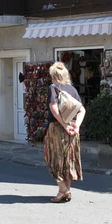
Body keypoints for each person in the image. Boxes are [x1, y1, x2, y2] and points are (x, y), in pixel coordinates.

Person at [45, 62, 86, 203]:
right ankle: (66, 191)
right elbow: (82, 110)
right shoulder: (72, 89)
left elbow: (54, 107)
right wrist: (77, 126)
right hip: (73, 129)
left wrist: (64, 124)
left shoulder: (53, 87)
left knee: (54, 159)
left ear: (53, 76)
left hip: (57, 128)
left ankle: (63, 190)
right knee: (68, 160)